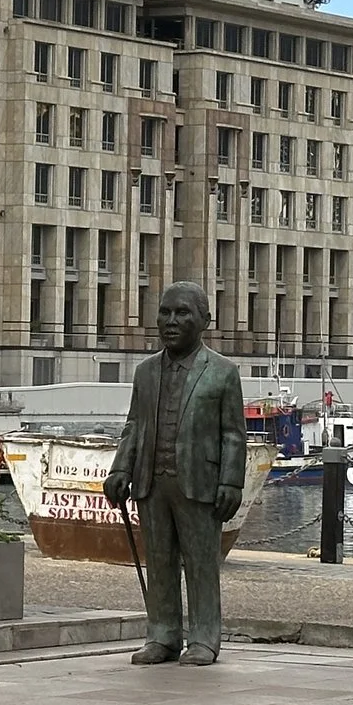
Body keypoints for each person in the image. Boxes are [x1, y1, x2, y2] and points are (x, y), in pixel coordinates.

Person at [105, 282, 247, 665]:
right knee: (160, 561)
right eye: (165, 312)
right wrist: (121, 468)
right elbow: (135, 425)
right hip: (152, 482)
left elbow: (233, 434)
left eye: (182, 313)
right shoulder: (146, 372)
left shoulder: (222, 373)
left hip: (199, 482)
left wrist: (231, 482)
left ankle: (204, 637)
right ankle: (163, 635)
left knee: (201, 563)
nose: (171, 321)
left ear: (204, 320)